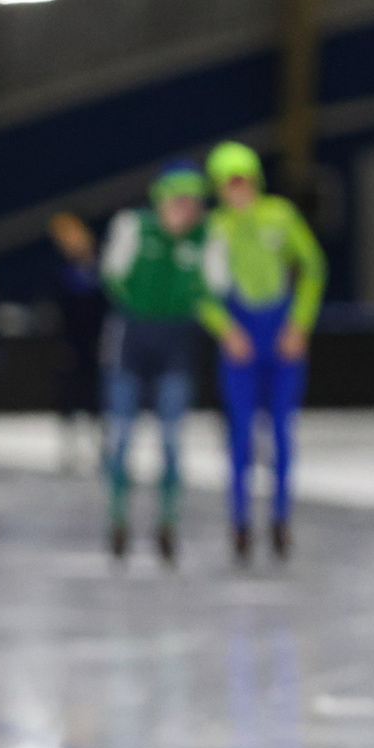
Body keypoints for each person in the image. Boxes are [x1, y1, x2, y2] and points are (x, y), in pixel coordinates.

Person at [202, 141, 326, 563]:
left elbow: (313, 266)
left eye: (243, 181)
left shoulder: (280, 215)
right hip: (242, 337)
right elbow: (200, 290)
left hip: (279, 333)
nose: (237, 190)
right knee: (239, 437)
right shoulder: (214, 229)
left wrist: (299, 324)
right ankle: (239, 523)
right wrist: (225, 330)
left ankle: (280, 521)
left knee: (282, 434)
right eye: (228, 183)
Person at [96, 162, 212, 565]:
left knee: (171, 439)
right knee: (121, 437)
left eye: (194, 203)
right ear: (162, 201)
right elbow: (111, 276)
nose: (188, 211)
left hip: (176, 347)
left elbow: (217, 287)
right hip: (132, 343)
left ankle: (167, 523)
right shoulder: (133, 227)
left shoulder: (207, 237)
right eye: (180, 202)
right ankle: (117, 521)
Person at [45, 214, 108, 474]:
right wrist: (62, 344)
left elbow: (109, 307)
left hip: (96, 343)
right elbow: (58, 311)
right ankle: (70, 450)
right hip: (71, 345)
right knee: (70, 396)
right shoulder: (62, 272)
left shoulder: (103, 270)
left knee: (98, 397)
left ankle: (101, 448)